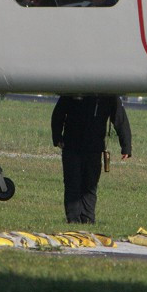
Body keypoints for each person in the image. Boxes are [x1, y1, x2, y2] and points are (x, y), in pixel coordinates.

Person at [51, 95, 132, 224]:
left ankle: (88, 218)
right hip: (71, 145)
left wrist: (126, 146)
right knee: (73, 183)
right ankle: (73, 219)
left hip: (94, 148)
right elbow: (58, 113)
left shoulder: (108, 94)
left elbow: (120, 119)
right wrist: (57, 137)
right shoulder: (75, 88)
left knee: (90, 184)